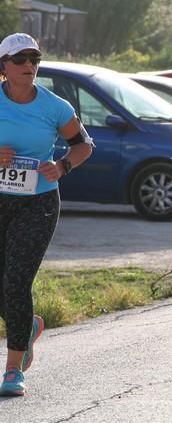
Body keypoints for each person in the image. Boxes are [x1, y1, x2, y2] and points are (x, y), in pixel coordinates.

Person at [0, 33, 93, 396]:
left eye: (34, 59)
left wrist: (64, 165)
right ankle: (29, 327)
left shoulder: (55, 107)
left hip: (37, 203)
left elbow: (83, 144)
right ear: (3, 66)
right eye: (20, 59)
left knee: (16, 282)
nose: (28, 66)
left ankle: (12, 369)